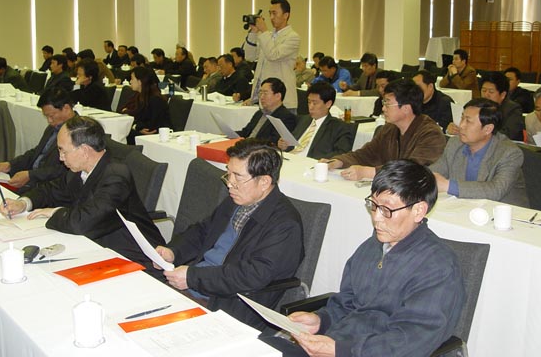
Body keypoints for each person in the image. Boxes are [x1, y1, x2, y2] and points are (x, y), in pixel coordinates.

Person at [262, 159, 465, 357]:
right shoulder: (373, 246)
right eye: (373, 205)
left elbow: (411, 341)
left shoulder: (438, 267)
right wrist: (321, 320)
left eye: (387, 210)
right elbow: (348, 302)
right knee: (258, 345)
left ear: (418, 211)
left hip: (362, 351)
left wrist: (341, 350)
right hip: (340, 343)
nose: (376, 217)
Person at [156, 139, 303, 329]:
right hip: (198, 284)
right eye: (229, 173)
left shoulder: (285, 225)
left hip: (226, 303)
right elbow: (202, 231)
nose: (230, 183)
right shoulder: (238, 200)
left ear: (264, 182)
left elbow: (252, 275)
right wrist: (173, 251)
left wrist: (193, 278)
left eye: (238, 177)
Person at [0, 116, 165, 275]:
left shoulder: (116, 176)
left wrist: (55, 212)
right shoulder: (79, 169)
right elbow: (51, 190)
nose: (60, 157)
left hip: (135, 256)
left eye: (63, 151)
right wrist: (23, 203)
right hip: (97, 246)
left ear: (84, 150)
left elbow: (82, 223)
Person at [326, 79, 446, 180]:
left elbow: (412, 170)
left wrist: (368, 172)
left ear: (406, 108)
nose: (383, 108)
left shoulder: (431, 134)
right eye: (383, 102)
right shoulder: (390, 128)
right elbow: (366, 154)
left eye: (388, 103)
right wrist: (339, 161)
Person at [430, 98, 529, 207]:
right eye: (462, 118)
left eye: (468, 121)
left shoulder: (509, 153)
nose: (461, 125)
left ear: (487, 129)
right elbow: (434, 171)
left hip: (505, 212)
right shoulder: (455, 144)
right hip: (465, 208)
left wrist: (448, 186)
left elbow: (495, 190)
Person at [0, 88, 73, 193]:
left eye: (51, 115)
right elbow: (37, 152)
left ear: (66, 108)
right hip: (34, 178)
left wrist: (31, 175)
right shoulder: (53, 127)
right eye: (46, 116)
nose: (49, 120)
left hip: (48, 187)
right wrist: (11, 164)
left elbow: (64, 170)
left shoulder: (78, 131)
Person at [244, 0, 300, 109]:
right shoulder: (267, 36)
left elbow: (273, 55)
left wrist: (264, 31)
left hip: (283, 101)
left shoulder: (293, 37)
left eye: (274, 13)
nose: (271, 17)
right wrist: (253, 33)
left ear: (286, 15)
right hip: (265, 100)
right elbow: (250, 56)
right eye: (270, 13)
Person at [277, 82, 354, 159]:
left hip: (311, 163)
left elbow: (341, 153)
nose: (310, 107)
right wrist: (285, 145)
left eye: (315, 103)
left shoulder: (338, 127)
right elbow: (293, 145)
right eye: (309, 102)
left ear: (328, 104)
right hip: (291, 159)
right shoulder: (303, 119)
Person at [237, 78, 296, 145]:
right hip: (246, 145)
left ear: (278, 96)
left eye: (265, 93)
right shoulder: (259, 113)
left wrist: (248, 143)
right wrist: (229, 135)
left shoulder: (286, 117)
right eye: (260, 93)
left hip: (257, 148)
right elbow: (245, 132)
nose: (261, 97)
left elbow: (273, 142)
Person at [120, 66, 170, 145]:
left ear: (140, 82)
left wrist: (135, 126)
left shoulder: (155, 99)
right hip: (142, 131)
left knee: (122, 133)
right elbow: (124, 111)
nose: (130, 82)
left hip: (157, 136)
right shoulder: (138, 95)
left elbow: (151, 126)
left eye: (132, 79)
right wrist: (136, 125)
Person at [479, 72, 524, 141]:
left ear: (503, 95)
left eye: (491, 92)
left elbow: (506, 135)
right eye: (484, 90)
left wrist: (480, 135)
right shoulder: (477, 107)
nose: (486, 95)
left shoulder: (513, 110)